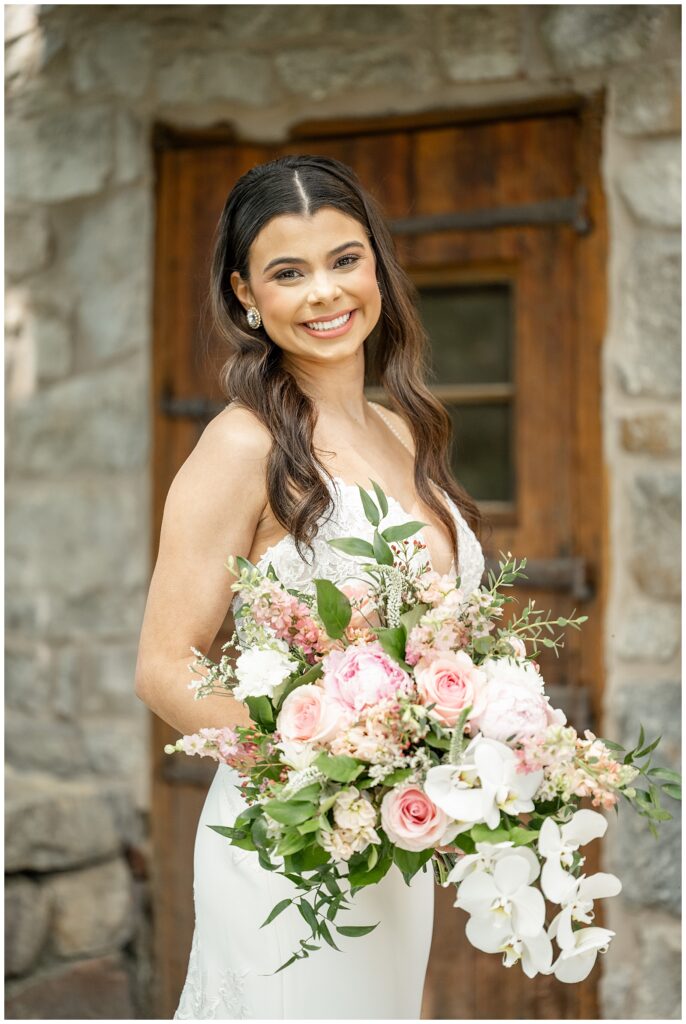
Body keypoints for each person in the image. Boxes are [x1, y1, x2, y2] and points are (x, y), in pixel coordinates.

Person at [135, 154, 486, 1019]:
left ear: (377, 267)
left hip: (388, 845)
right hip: (286, 846)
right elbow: (164, 667)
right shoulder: (240, 447)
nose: (325, 293)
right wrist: (323, 773)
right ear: (246, 295)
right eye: (288, 273)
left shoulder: (402, 428)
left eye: (344, 259)